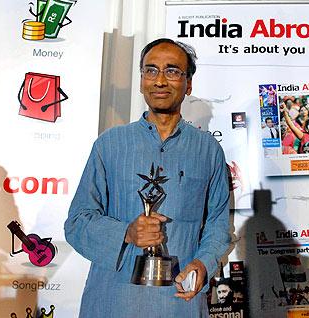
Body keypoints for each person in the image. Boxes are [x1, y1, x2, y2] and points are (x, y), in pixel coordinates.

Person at [64, 38, 230, 317]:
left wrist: (203, 264)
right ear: (141, 81)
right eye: (151, 71)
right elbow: (77, 222)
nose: (160, 80)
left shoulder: (208, 150)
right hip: (113, 300)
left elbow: (218, 224)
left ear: (188, 84)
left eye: (172, 71)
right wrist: (126, 233)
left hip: (180, 303)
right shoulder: (110, 144)